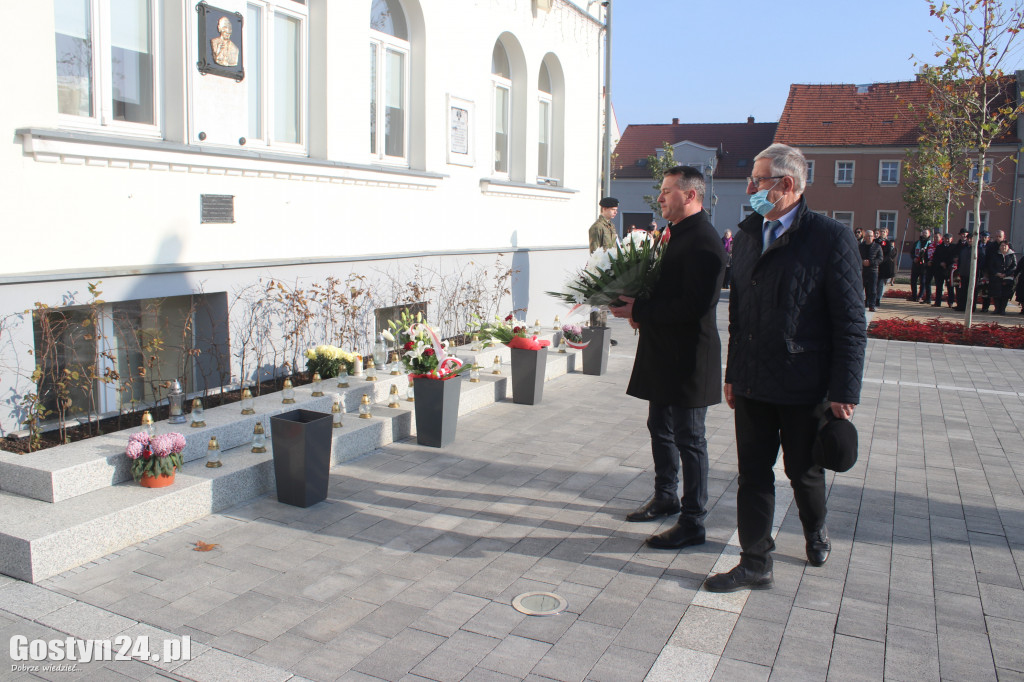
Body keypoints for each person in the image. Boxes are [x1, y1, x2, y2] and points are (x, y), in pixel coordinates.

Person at [705, 144, 865, 593]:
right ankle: (755, 562)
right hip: (754, 381)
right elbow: (738, 313)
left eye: (758, 180)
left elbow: (851, 322)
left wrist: (843, 389)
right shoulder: (750, 233)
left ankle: (815, 529)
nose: (751, 188)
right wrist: (733, 373)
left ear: (786, 184)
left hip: (804, 384)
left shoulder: (831, 238)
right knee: (753, 475)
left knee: (803, 472)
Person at [609, 166, 725, 551]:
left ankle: (693, 521)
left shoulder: (705, 241)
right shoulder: (671, 236)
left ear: (690, 195)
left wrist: (639, 308)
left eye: (666, 191)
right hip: (663, 350)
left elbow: (694, 305)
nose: (659, 198)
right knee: (659, 425)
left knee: (690, 438)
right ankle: (666, 496)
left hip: (689, 356)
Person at [589, 197, 619, 345]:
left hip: (610, 269)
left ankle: (603, 334)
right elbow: (595, 252)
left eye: (616, 210)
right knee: (597, 303)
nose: (615, 212)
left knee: (604, 304)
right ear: (604, 209)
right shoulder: (597, 227)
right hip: (600, 270)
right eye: (613, 210)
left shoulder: (610, 226)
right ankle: (596, 334)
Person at [988, 241, 1017, 315]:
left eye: (1005, 246)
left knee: (1005, 294)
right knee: (996, 294)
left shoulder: (1011, 255)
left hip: (1007, 277)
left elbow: (1014, 266)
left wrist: (1006, 274)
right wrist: (996, 273)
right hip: (996, 277)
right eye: (1002, 245)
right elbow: (991, 265)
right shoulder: (995, 254)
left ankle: (1002, 309)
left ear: (1008, 247)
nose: (1003, 247)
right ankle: (996, 309)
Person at [860, 229, 883, 311]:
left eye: (871, 236)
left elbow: (880, 259)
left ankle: (872, 305)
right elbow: (856, 257)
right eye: (868, 236)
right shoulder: (861, 246)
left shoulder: (877, 246)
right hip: (862, 270)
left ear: (873, 237)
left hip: (873, 270)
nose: (869, 237)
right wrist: (862, 261)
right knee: (861, 288)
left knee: (872, 289)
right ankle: (862, 304)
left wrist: (871, 262)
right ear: (865, 237)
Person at [876, 227, 896, 305]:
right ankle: (872, 298)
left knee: (880, 283)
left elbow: (888, 254)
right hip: (875, 265)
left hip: (883, 265)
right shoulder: (876, 241)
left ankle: (878, 298)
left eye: (884, 231)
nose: (882, 233)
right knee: (874, 283)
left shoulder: (888, 243)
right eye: (881, 231)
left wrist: (881, 260)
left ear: (887, 233)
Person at [911, 229, 932, 302]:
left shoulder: (930, 244)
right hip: (915, 265)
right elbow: (912, 252)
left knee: (923, 282)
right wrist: (914, 258)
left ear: (929, 234)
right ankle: (914, 296)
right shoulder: (917, 243)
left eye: (926, 233)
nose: (924, 234)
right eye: (923, 233)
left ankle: (920, 296)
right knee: (913, 281)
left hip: (924, 266)